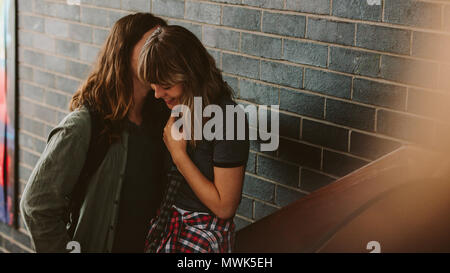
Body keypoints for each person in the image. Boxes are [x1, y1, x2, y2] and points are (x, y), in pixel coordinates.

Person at [19, 13, 169, 253]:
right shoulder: (83, 126)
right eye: (152, 43)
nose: (159, 53)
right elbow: (36, 206)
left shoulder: (162, 120)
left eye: (164, 45)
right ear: (124, 50)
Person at [139, 25, 250, 253]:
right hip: (167, 226)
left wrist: (179, 155)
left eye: (166, 86)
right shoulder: (174, 106)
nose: (158, 94)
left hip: (200, 238)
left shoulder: (228, 118)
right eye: (153, 85)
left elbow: (225, 207)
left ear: (190, 75)